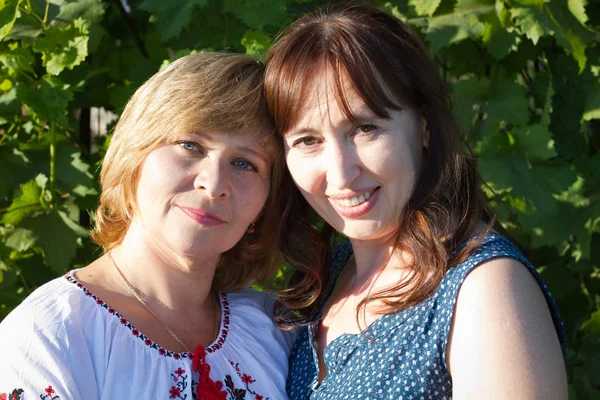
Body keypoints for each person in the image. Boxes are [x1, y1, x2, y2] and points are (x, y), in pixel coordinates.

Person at [264, 3, 568, 399]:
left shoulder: (482, 287)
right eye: (308, 141)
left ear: (423, 126)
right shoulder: (318, 284)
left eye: (365, 128)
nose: (339, 174)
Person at [0, 52, 294, 399]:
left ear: (264, 205)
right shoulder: (52, 334)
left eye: (245, 163)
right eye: (191, 145)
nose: (214, 184)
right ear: (135, 154)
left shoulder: (272, 329)